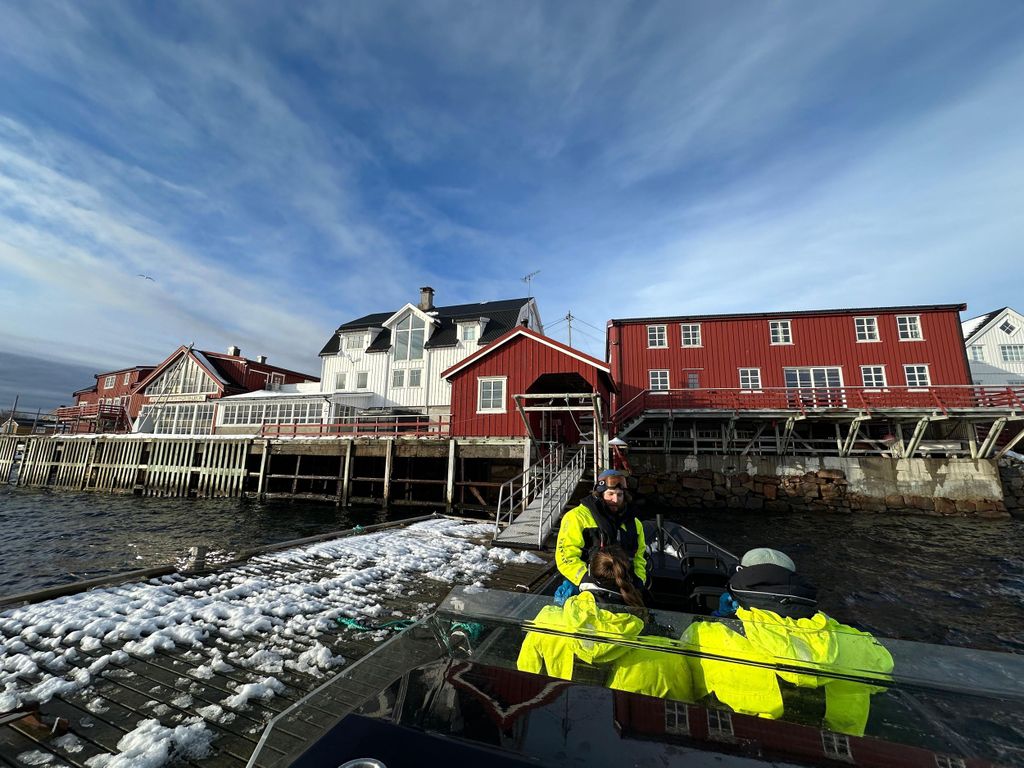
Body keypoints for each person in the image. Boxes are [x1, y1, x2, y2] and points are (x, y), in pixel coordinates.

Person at [685, 548, 894, 736]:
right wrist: (827, 624)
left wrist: (722, 618)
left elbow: (680, 695)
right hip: (834, 751)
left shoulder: (705, 634)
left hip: (738, 745)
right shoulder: (856, 641)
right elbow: (884, 674)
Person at [518, 546, 692, 701]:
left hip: (559, 717)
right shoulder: (669, 656)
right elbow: (684, 709)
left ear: (589, 574)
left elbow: (525, 681)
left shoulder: (546, 621)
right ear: (628, 577)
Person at [555, 470, 646, 605]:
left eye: (620, 495)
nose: (615, 500)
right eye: (610, 494)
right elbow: (566, 555)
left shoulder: (635, 524)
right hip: (585, 587)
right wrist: (585, 579)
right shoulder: (576, 517)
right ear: (600, 494)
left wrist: (639, 580)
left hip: (623, 589)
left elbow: (639, 558)